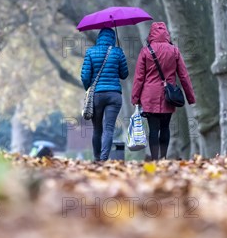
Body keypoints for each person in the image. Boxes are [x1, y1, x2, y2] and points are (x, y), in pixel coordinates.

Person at [131, 22, 195, 160]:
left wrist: (135, 98)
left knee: (153, 129)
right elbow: (184, 76)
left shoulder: (146, 51)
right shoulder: (174, 50)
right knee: (165, 127)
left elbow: (139, 78)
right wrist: (190, 97)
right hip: (168, 96)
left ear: (151, 34)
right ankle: (164, 158)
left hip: (149, 96)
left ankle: (154, 159)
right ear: (166, 34)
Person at [80, 28, 129, 161]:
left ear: (99, 38)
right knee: (109, 128)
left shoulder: (90, 51)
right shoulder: (117, 52)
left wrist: (88, 89)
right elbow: (124, 74)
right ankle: (104, 158)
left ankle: (97, 159)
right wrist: (119, 56)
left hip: (96, 96)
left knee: (97, 129)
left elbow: (85, 76)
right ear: (113, 38)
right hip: (114, 95)